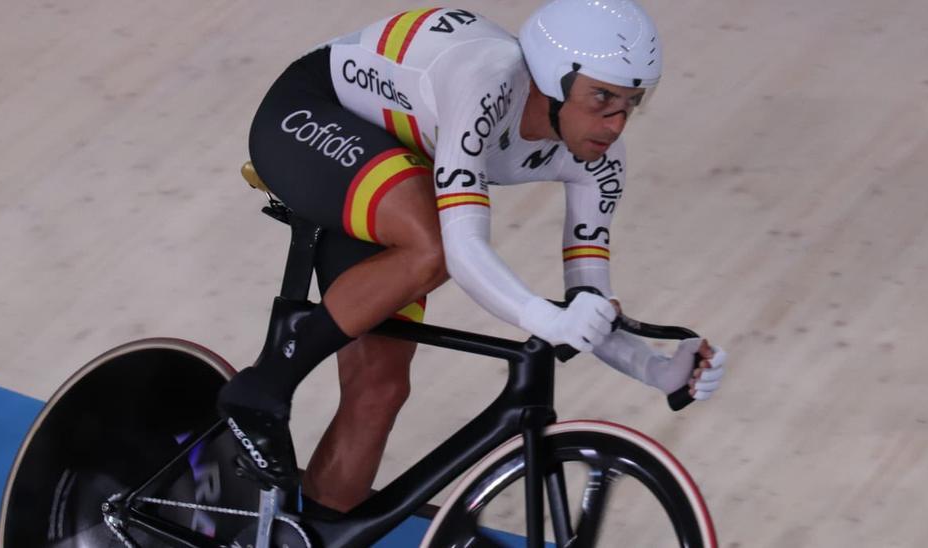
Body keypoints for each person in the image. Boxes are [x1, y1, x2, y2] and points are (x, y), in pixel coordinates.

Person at [217, 0, 727, 513]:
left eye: (631, 103)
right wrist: (541, 317)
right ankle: (263, 386)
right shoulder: (486, 80)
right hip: (313, 115)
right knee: (432, 245)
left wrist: (655, 369)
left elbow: (588, 303)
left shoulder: (601, 160)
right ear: (552, 80)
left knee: (379, 391)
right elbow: (460, 251)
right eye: (601, 98)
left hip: (401, 163)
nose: (616, 124)